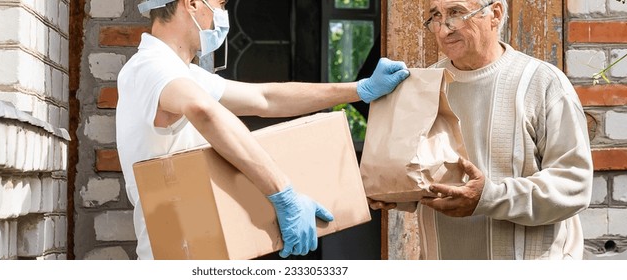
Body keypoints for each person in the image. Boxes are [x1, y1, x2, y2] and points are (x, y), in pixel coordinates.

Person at [117, 0, 410, 260]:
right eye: (221, 4)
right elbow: (203, 110)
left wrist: (360, 90)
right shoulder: (150, 67)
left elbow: (266, 99)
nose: (224, 15)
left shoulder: (184, 73)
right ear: (192, 3)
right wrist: (283, 192)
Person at [371, 0, 593, 259]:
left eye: (456, 14)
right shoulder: (423, 85)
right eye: (436, 17)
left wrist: (490, 197)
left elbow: (573, 185)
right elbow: (420, 176)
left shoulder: (543, 83)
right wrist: (391, 190)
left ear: (495, 14)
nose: (443, 30)